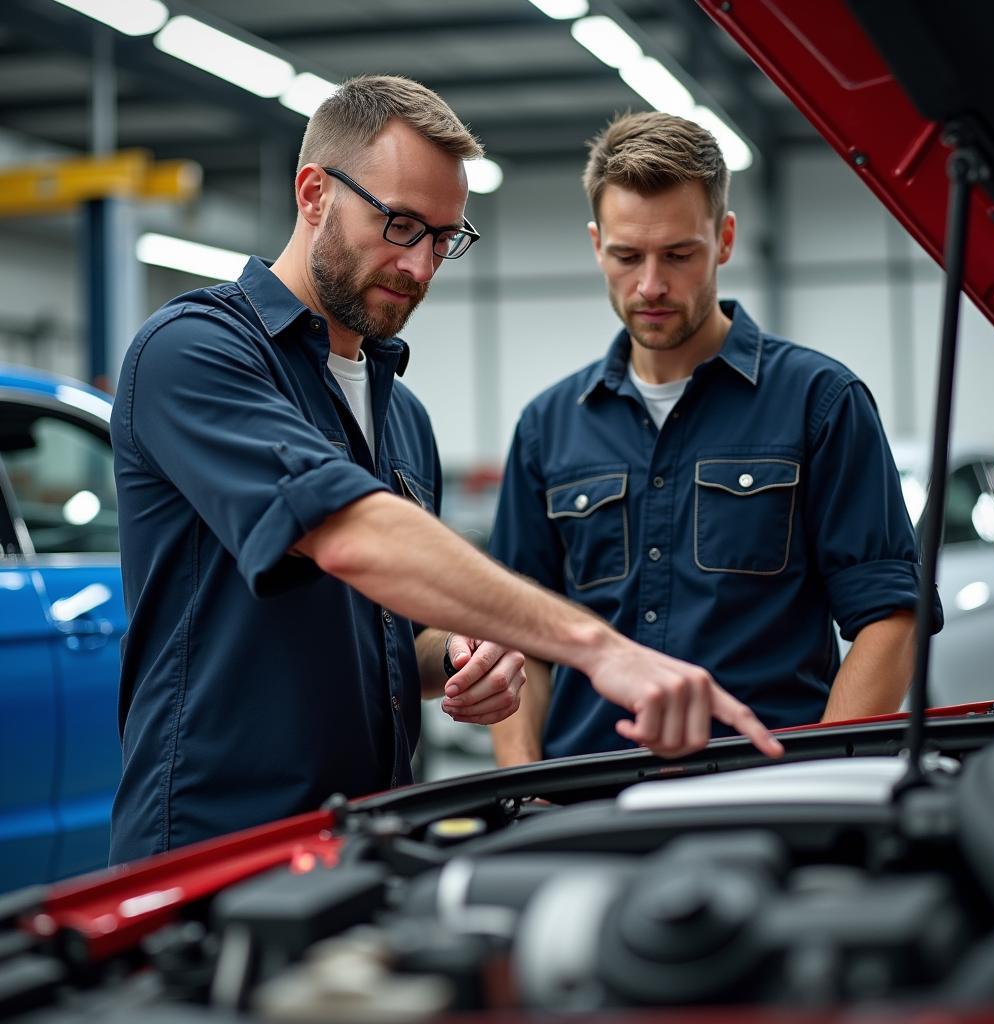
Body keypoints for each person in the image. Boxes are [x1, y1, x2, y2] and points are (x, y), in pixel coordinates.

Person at [109, 78, 781, 863]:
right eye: (398, 225)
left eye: (443, 238)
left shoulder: (404, 418)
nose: (420, 266)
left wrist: (463, 658)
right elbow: (351, 536)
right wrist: (599, 647)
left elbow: (394, 639)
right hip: (217, 848)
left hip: (369, 843)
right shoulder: (195, 352)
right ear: (314, 193)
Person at [488, 111, 941, 767]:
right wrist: (522, 786)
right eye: (626, 256)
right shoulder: (546, 426)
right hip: (581, 804)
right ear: (596, 246)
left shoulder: (820, 402)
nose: (650, 285)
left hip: (760, 797)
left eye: (678, 255)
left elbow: (890, 620)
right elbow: (517, 634)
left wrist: (814, 786)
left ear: (724, 239)